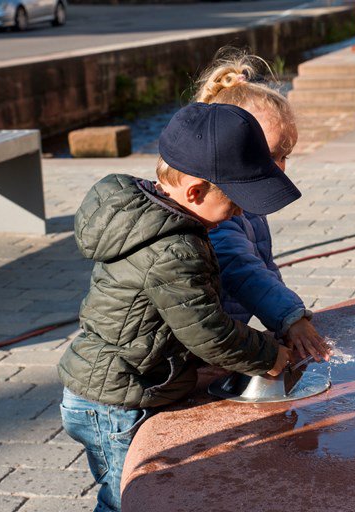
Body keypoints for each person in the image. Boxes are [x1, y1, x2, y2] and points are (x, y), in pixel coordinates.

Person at [57, 102, 300, 512]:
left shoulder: (151, 216)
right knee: (130, 500)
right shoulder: (174, 250)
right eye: (236, 203)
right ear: (195, 191)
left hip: (110, 388)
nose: (241, 213)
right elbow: (209, 331)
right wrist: (269, 355)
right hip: (118, 402)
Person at [193, 51, 331, 362]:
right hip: (197, 344)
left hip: (221, 337)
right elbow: (239, 266)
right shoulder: (215, 210)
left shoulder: (249, 203)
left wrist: (287, 317)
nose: (280, 168)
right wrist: (290, 318)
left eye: (286, 155)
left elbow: (263, 265)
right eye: (270, 156)